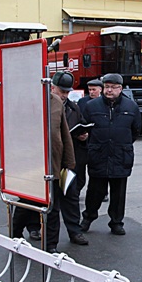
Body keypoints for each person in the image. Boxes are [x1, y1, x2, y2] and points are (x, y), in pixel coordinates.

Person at [10, 73, 77, 252]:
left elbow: (64, 133)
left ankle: (51, 246)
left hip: (53, 164)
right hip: (30, 164)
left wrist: (69, 163)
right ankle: (14, 236)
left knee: (52, 207)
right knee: (26, 203)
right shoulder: (22, 103)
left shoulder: (56, 102)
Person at [80, 73, 141, 236]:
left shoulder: (131, 107)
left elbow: (135, 131)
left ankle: (116, 222)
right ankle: (88, 217)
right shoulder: (92, 106)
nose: (109, 90)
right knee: (95, 191)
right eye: (107, 87)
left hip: (121, 155)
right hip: (98, 155)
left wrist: (122, 145)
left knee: (118, 194)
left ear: (120, 89)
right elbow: (84, 127)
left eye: (113, 87)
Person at [52, 71, 89, 246]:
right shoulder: (46, 106)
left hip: (67, 162)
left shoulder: (73, 108)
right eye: (62, 91)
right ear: (52, 88)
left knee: (70, 196)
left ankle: (75, 231)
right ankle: (33, 228)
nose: (65, 95)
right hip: (49, 161)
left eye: (67, 92)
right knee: (44, 198)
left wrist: (84, 135)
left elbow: (81, 123)